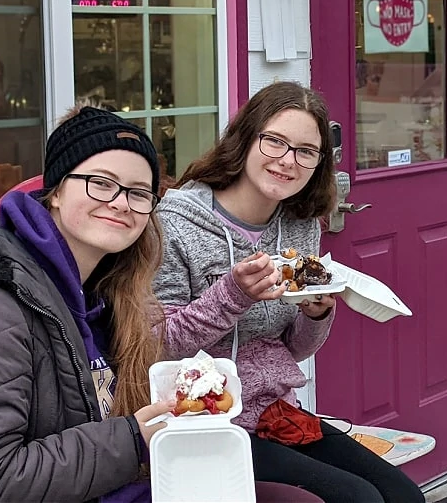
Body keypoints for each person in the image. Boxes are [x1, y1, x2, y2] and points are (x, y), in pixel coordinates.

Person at [0, 103, 324, 503]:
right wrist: (134, 438)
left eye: (138, 192)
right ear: (55, 191)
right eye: (102, 183)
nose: (121, 203)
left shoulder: (112, 290)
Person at [153, 82, 425, 503]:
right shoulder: (175, 224)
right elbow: (160, 346)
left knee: (403, 496)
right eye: (275, 142)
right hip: (204, 421)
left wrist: (315, 315)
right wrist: (232, 294)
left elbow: (292, 349)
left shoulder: (300, 225)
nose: (287, 161)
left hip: (275, 413)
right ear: (244, 139)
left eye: (305, 151)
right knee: (357, 499)